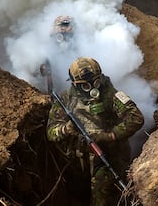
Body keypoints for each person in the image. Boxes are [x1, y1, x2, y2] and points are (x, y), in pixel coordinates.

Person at [46, 57, 144, 206]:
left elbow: (135, 118)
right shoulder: (66, 99)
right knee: (77, 194)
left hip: (108, 157)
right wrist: (66, 129)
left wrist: (110, 136)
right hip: (78, 162)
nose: (93, 89)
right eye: (85, 86)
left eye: (96, 83)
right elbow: (51, 132)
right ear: (74, 84)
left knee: (103, 197)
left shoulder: (110, 94)